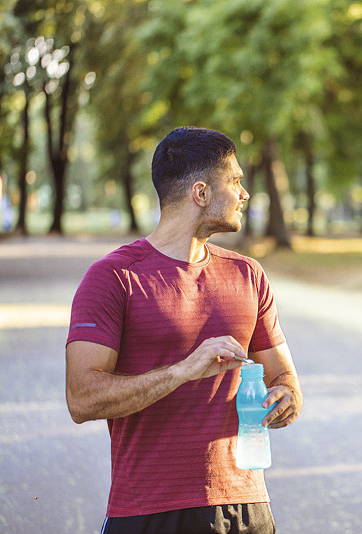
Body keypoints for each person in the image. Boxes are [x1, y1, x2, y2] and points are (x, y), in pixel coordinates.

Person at [65, 127, 302, 534]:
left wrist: (286, 398)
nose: (244, 194)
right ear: (201, 193)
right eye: (236, 181)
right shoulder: (113, 278)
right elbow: (81, 399)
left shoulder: (249, 275)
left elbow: (285, 379)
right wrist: (183, 370)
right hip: (149, 510)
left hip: (247, 508)